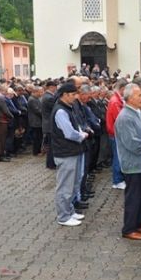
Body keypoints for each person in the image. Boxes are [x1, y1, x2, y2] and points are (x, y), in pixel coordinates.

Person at [115, 84, 141, 241]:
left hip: (139, 163)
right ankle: (129, 228)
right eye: (139, 95)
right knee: (133, 197)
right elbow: (133, 144)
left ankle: (137, 222)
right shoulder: (125, 117)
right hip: (132, 165)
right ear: (130, 98)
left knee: (139, 196)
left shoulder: (134, 113)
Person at [51, 82, 89, 227]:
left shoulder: (68, 108)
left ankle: (70, 211)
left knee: (73, 184)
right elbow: (69, 133)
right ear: (65, 95)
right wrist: (81, 136)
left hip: (72, 151)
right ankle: (63, 216)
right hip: (65, 152)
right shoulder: (61, 111)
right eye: (73, 95)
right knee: (65, 186)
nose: (75, 97)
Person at [106, 79, 129, 190]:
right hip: (115, 134)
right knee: (118, 157)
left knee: (119, 156)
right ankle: (117, 180)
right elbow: (120, 118)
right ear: (122, 89)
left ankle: (119, 178)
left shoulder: (118, 100)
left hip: (117, 133)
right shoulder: (115, 101)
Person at [0, 85, 14, 162]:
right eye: (6, 91)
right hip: (0, 120)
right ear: (2, 90)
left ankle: (2, 155)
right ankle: (0, 156)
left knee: (2, 139)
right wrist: (11, 116)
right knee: (1, 140)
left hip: (0, 120)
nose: (6, 93)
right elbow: (5, 110)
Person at [41, 81, 58, 169]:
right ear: (51, 87)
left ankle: (50, 163)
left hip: (48, 124)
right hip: (49, 125)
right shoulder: (49, 97)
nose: (56, 89)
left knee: (51, 146)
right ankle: (51, 164)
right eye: (55, 87)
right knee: (51, 146)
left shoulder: (47, 96)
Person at [28, 86, 43, 156]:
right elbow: (37, 110)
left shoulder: (37, 98)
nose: (41, 94)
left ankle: (39, 150)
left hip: (39, 121)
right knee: (36, 137)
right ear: (35, 92)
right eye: (40, 92)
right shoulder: (32, 99)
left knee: (39, 137)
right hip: (35, 121)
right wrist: (44, 114)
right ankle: (36, 152)